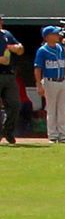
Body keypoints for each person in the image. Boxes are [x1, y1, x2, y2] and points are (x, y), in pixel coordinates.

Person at [33, 25, 65, 142]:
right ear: (48, 37)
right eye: (55, 34)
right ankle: (53, 135)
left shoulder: (60, 48)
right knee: (52, 109)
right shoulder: (42, 50)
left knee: (62, 109)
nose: (58, 36)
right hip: (50, 81)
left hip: (62, 80)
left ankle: (63, 135)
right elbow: (38, 68)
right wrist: (38, 84)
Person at [0, 16, 22, 144]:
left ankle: (7, 131)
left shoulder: (6, 34)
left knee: (15, 105)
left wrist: (18, 48)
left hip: (9, 74)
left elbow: (20, 48)